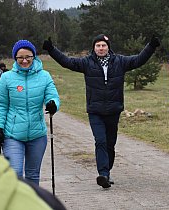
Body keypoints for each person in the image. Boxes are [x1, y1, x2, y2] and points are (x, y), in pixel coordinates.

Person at [42, 33, 160, 188]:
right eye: (98, 45)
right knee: (101, 141)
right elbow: (67, 62)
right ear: (94, 48)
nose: (101, 48)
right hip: (95, 110)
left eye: (103, 45)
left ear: (108, 47)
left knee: (110, 144)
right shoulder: (86, 63)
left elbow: (138, 60)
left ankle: (107, 171)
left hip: (113, 110)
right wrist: (51, 49)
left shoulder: (120, 61)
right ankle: (103, 174)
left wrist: (151, 46)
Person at [0, 40, 60, 185]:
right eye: (20, 57)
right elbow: (1, 104)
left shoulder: (45, 76)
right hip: (12, 135)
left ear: (34, 56)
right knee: (15, 173)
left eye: (28, 57)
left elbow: (52, 95)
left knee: (32, 175)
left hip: (37, 135)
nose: (24, 61)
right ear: (15, 58)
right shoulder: (6, 77)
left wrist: (53, 104)